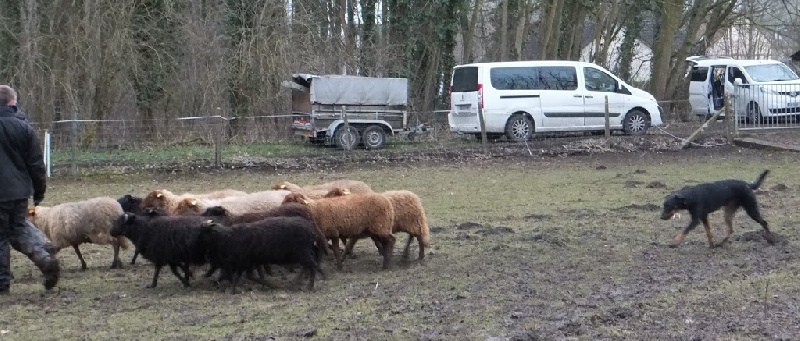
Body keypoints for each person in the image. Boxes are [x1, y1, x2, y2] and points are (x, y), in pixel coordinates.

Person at [0, 84, 59, 293]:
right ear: (12, 102)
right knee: (19, 227)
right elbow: (36, 163)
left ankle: (2, 283)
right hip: (19, 191)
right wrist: (39, 190)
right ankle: (45, 257)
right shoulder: (23, 128)